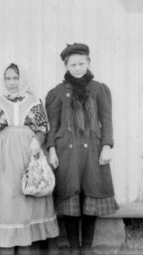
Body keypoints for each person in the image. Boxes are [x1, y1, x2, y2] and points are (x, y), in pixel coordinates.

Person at [45, 43, 119, 255]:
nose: (77, 68)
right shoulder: (57, 93)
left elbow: (107, 120)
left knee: (91, 200)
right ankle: (73, 248)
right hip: (67, 153)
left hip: (93, 152)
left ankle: (87, 248)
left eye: (81, 63)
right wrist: (51, 149)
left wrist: (107, 146)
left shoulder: (99, 89)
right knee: (70, 202)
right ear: (66, 66)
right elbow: (52, 124)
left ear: (88, 63)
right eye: (73, 64)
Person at [0, 63, 59, 254]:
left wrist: (37, 141)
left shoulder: (34, 101)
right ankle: (7, 245)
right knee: (7, 199)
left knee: (28, 197)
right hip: (5, 156)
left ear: (22, 79)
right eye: (8, 78)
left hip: (28, 153)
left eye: (15, 78)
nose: (12, 82)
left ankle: (26, 244)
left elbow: (42, 128)